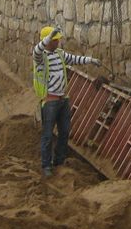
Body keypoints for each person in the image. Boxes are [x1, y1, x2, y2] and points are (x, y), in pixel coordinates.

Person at [31, 25, 101, 178]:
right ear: (47, 41)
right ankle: (46, 166)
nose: (57, 43)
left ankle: (59, 161)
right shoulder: (40, 56)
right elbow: (36, 50)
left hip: (63, 100)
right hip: (50, 101)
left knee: (64, 132)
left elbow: (75, 59)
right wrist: (49, 37)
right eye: (54, 40)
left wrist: (91, 60)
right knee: (48, 135)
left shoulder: (60, 54)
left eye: (57, 40)